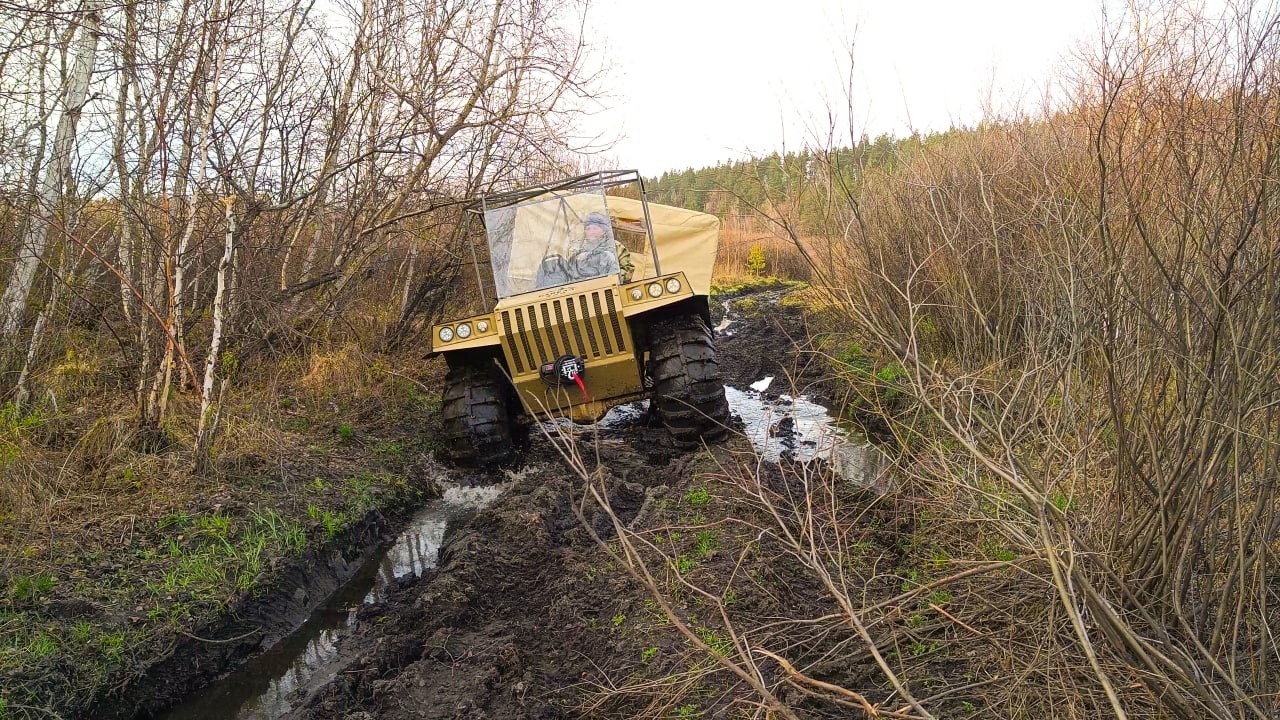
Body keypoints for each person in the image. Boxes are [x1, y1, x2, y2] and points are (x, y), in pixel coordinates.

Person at [581, 211, 634, 283]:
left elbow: (628, 269)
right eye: (588, 229)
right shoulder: (581, 250)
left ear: (604, 230)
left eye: (595, 228)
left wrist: (612, 279)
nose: (591, 232)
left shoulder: (616, 246)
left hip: (613, 287)